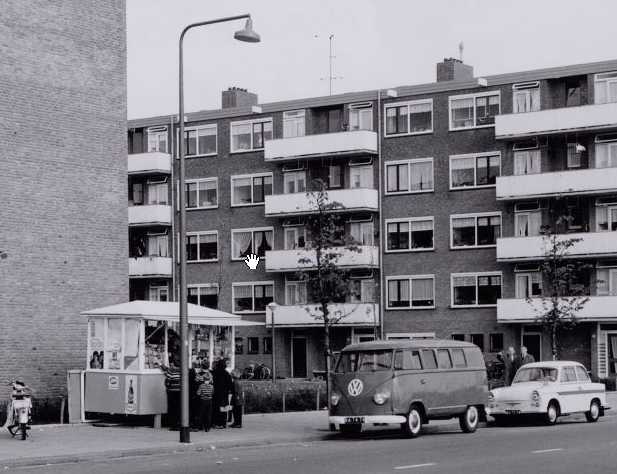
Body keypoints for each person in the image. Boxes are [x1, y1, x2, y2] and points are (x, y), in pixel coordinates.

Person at [211, 359, 233, 429]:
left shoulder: (214, 373)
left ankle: (216, 423)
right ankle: (223, 423)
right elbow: (230, 384)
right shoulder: (226, 373)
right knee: (223, 408)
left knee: (216, 408)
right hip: (224, 394)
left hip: (216, 393)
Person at [161, 354, 181, 430]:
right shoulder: (182, 370)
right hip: (180, 392)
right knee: (178, 408)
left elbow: (168, 382)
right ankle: (179, 423)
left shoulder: (171, 371)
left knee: (172, 408)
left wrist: (167, 387)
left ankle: (173, 425)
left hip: (172, 392)